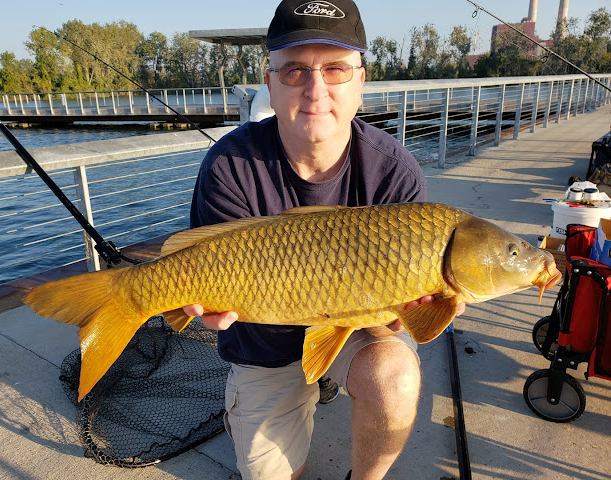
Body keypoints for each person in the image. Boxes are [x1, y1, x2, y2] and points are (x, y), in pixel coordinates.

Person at [182, 1, 463, 478]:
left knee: (394, 376)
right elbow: (209, 290)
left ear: (361, 81)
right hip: (261, 343)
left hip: (354, 332)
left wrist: (408, 314)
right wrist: (201, 308)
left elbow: (394, 326)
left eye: (335, 69)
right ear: (268, 82)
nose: (316, 90)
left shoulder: (394, 171)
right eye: (294, 71)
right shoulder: (229, 166)